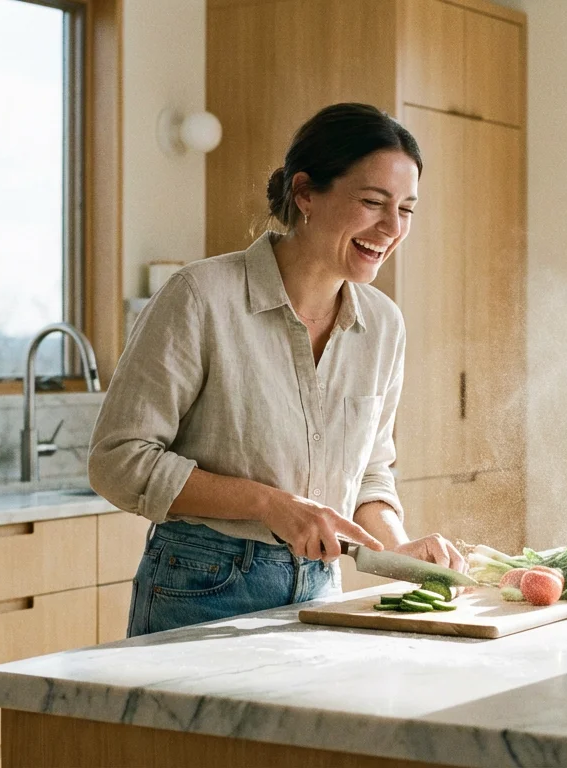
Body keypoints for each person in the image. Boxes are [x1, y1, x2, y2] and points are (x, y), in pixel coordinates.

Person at [89, 102, 466, 637]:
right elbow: (117, 460)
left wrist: (398, 550)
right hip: (201, 585)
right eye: (372, 202)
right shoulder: (201, 297)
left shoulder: (383, 325)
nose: (391, 227)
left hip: (320, 590)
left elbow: (371, 473)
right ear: (306, 193)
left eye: (406, 209)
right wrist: (270, 505)